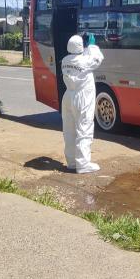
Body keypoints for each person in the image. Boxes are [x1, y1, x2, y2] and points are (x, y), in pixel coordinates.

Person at [60, 34, 104, 174]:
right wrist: (91, 45)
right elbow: (97, 58)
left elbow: (79, 57)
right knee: (84, 128)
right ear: (81, 47)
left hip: (68, 96)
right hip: (82, 97)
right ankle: (83, 164)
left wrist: (84, 48)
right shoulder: (85, 61)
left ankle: (72, 162)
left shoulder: (65, 60)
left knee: (69, 130)